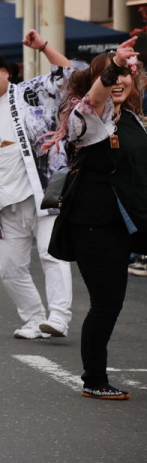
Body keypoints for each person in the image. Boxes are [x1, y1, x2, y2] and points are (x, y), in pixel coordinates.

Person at [0, 31, 77, 340]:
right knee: (9, 267)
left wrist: (43, 46)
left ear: (6, 71)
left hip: (44, 191)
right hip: (4, 203)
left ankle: (59, 316)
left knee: (51, 253)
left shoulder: (31, 92)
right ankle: (34, 319)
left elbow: (70, 74)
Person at [48, 38, 141, 400]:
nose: (118, 82)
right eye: (108, 76)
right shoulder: (84, 118)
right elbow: (96, 100)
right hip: (92, 224)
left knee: (111, 302)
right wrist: (114, 64)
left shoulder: (135, 120)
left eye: (124, 76)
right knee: (106, 303)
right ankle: (94, 379)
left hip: (128, 223)